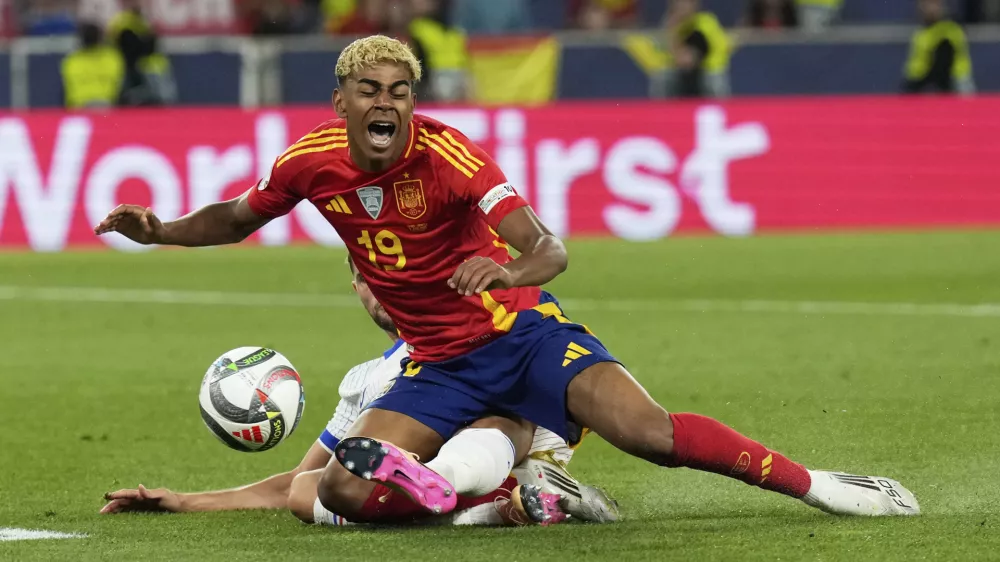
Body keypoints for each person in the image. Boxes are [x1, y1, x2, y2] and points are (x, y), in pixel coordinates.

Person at [94, 34, 921, 525]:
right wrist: (160, 231)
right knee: (344, 490)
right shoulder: (308, 164)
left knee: (653, 436)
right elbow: (237, 217)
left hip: (521, 336)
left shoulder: (451, 157)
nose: (388, 103)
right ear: (340, 100)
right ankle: (492, 501)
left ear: (412, 100)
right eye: (371, 91)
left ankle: (828, 489)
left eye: (402, 91)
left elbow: (550, 248)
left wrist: (508, 266)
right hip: (437, 369)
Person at [99, 255, 618, 527]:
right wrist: (183, 501)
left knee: (495, 421)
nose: (383, 291)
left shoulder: (483, 328)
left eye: (394, 277)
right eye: (369, 280)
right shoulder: (366, 380)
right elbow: (296, 484)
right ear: (356, 288)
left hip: (519, 440)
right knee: (313, 488)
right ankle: (510, 505)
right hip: (501, 468)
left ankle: (484, 497)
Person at [903, 0, 975, 95]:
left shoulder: (951, 30)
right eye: (926, 5)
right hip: (924, 81)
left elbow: (945, 65)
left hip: (955, 80)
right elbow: (914, 69)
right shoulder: (919, 34)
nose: (931, 9)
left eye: (935, 4)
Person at [61, 22, 124, 109]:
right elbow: (119, 83)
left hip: (79, 106)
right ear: (100, 39)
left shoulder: (72, 60)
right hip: (106, 105)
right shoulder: (112, 57)